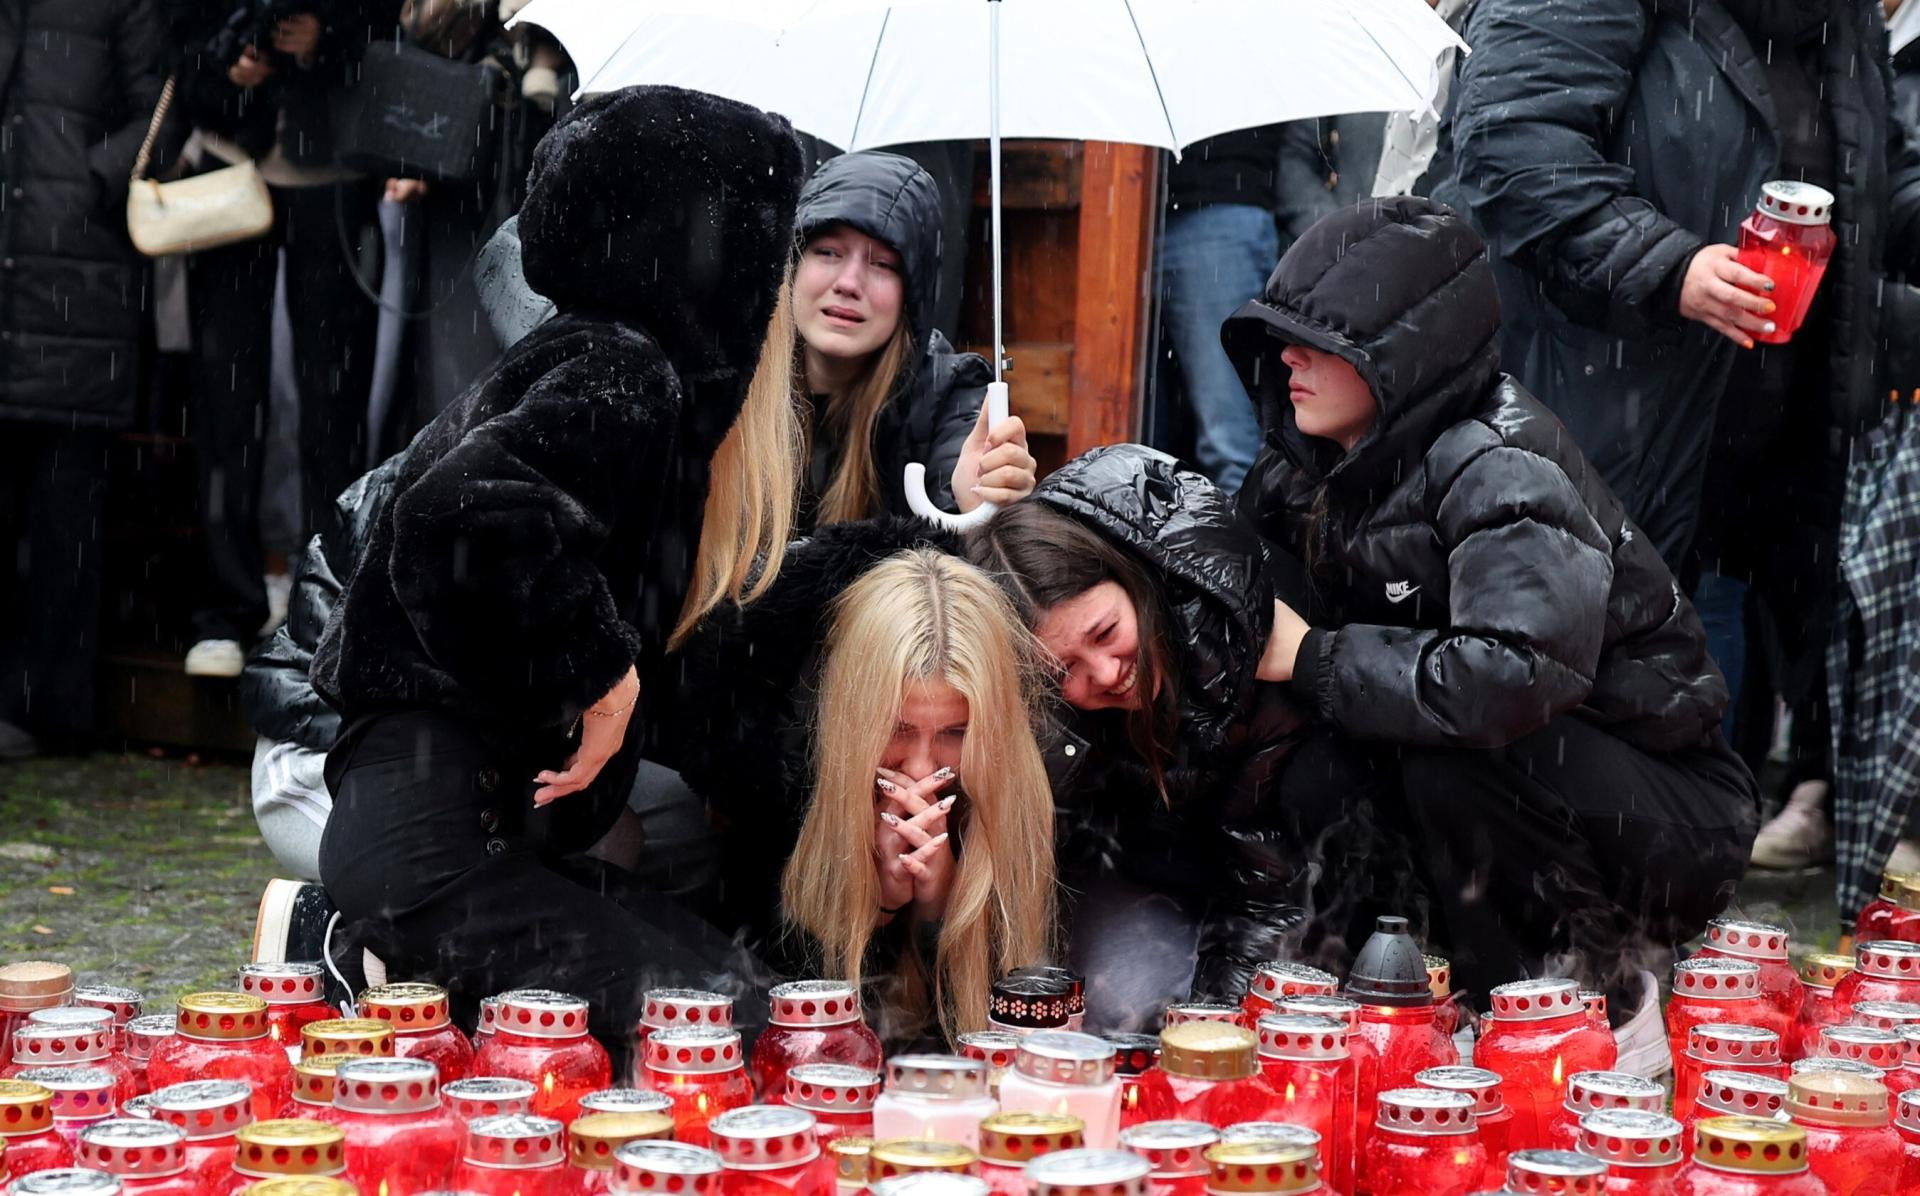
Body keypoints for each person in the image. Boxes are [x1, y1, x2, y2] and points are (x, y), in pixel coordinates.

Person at [307, 85, 805, 1055]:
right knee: (728, 1035)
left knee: (757, 1000)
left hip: (449, 839)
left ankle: (367, 947)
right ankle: (353, 950)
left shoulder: (593, 353)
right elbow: (454, 519)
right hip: (433, 855)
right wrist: (600, 672)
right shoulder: (627, 367)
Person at [1226, 196, 1758, 1071]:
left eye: (1319, 341)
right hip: (1526, 776)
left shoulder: (1502, 461)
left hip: (1666, 813)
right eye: (1280, 337)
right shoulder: (1304, 466)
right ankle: (1400, 1005)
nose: (1287, 357)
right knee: (1321, 765)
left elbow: (1513, 677)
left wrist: (1315, 656)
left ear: (1401, 354)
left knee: (1451, 760)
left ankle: (1598, 1008)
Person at [968, 443, 1325, 1029]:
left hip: (1276, 888)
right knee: (1118, 1004)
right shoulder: (1048, 709)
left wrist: (1209, 1030)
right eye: (1063, 669)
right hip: (1137, 880)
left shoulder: (1248, 651)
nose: (1106, 673)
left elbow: (1269, 897)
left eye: (1105, 632)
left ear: (1135, 575)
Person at [679, 526, 1057, 1045]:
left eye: (955, 732)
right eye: (898, 729)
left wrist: (940, 910)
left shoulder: (1027, 781)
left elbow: (996, 1030)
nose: (921, 768)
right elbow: (782, 1014)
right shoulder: (777, 775)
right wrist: (878, 907)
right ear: (853, 718)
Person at [172, 0, 396, 678]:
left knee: (334, 403)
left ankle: (324, 607)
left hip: (332, 168)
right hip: (228, 164)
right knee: (225, 401)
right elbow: (172, 39)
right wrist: (226, 64)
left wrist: (324, 42)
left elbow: (393, 34)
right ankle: (226, 608)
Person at [0, 0, 167, 758]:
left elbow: (159, 110)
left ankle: (49, 706)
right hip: (28, 273)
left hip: (78, 282)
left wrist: (89, 182)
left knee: (65, 516)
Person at [786, 150, 1036, 528]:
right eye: (828, 252)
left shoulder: (949, 394)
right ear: (792, 265)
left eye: (882, 264)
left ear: (913, 294)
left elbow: (961, 542)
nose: (849, 283)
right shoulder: (737, 379)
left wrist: (977, 509)